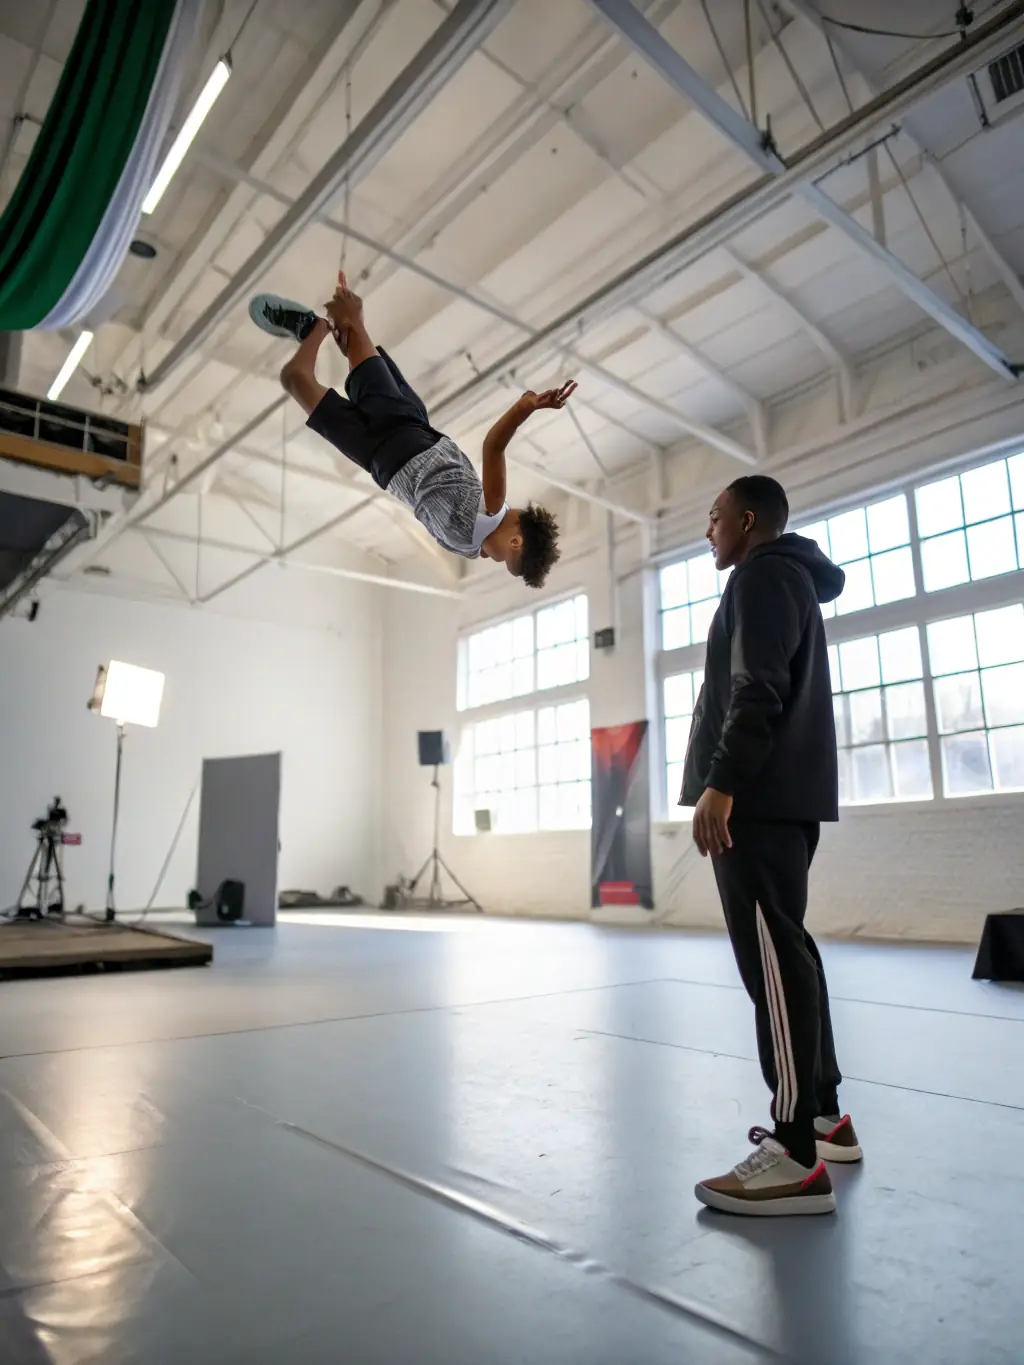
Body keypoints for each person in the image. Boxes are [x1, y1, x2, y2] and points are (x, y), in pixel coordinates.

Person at [681, 474, 863, 1218]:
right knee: (788, 945)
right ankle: (824, 1112)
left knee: (771, 960)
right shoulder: (787, 578)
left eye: (715, 515)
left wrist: (721, 784)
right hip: (779, 796)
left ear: (748, 519)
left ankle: (793, 1153)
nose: (709, 529)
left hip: (754, 799)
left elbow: (758, 687)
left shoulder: (760, 578)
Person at [249, 273, 572, 586]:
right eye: (505, 559)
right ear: (515, 540)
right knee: (348, 324)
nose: (494, 560)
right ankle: (328, 324)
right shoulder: (492, 508)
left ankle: (314, 329)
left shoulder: (470, 549)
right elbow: (493, 447)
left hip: (378, 459)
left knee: (295, 378)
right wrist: (524, 407)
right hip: (402, 427)